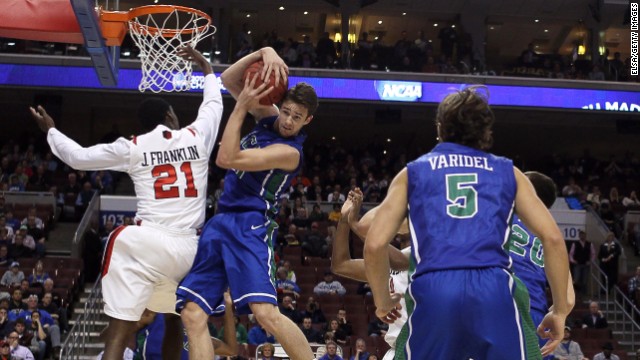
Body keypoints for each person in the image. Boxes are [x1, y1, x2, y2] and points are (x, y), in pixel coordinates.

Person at [29, 46, 223, 360]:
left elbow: (78, 157)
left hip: (148, 244)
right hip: (189, 248)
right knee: (172, 320)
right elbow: (213, 104)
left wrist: (51, 130)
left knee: (120, 299)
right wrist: (206, 69)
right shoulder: (197, 136)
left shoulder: (132, 147)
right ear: (170, 116)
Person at [364, 86, 572, 359]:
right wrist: (559, 310)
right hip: (493, 289)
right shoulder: (509, 172)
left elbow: (375, 243)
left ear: (439, 128)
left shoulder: (411, 173)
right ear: (486, 132)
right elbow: (554, 239)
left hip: (434, 288)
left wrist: (382, 300)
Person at [176, 46, 318, 360]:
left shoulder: (289, 153)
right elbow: (229, 78)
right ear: (281, 105)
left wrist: (241, 108)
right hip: (221, 220)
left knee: (265, 313)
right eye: (287, 111)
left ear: (307, 120)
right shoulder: (269, 119)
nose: (288, 121)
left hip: (251, 225)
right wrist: (264, 52)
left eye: (297, 117)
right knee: (192, 313)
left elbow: (227, 158)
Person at [508, 172, 576, 352]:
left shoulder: (503, 215)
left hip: (498, 303)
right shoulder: (550, 235)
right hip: (535, 315)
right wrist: (557, 314)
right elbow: (568, 299)